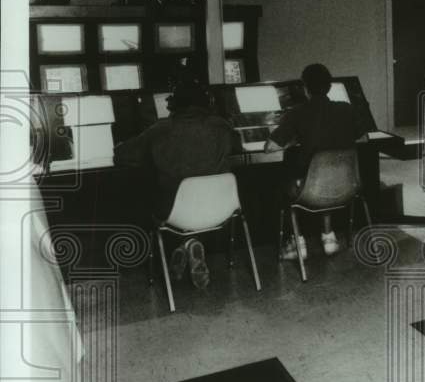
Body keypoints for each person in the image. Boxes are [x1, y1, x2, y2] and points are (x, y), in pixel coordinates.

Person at [114, 76, 238, 289]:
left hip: (175, 211)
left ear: (173, 104)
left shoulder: (160, 129)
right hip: (221, 210)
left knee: (148, 198)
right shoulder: (222, 126)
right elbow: (239, 148)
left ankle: (186, 243)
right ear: (206, 102)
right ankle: (190, 243)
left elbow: (123, 156)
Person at [266, 63, 359, 260]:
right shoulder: (347, 109)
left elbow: (270, 147)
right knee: (328, 173)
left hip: (310, 189)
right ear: (330, 87)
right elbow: (364, 138)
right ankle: (329, 237)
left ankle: (297, 242)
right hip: (348, 186)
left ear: (305, 88)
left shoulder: (297, 112)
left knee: (285, 181)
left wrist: (293, 139)